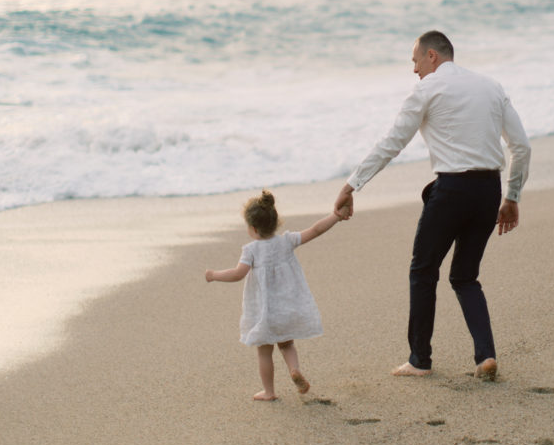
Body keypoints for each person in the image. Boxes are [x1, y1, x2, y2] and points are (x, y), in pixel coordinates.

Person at [333, 31, 530, 381]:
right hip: (489, 190)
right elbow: (521, 146)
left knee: (423, 271)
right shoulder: (491, 86)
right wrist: (511, 196)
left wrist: (352, 185)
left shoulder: (427, 89)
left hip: (452, 190)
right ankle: (485, 356)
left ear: (432, 56)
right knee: (466, 276)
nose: (414, 70)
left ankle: (419, 360)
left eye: (415, 61)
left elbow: (393, 142)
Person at [206, 189, 347, 401]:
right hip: (286, 308)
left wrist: (214, 275)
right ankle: (294, 369)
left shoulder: (251, 250)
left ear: (252, 228)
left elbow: (237, 274)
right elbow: (316, 230)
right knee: (287, 344)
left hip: (264, 313)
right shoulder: (287, 241)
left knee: (264, 352)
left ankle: (269, 392)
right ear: (275, 221)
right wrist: (336, 216)